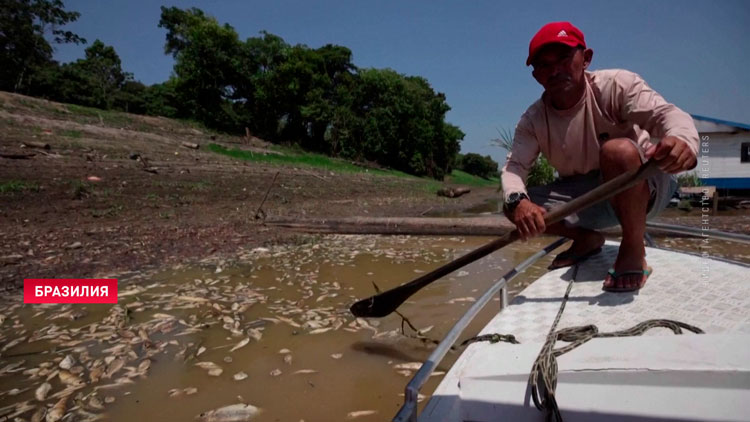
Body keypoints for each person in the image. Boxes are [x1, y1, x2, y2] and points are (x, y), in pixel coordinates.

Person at [501, 22, 698, 292]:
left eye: (564, 58)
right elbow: (515, 168)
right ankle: (586, 238)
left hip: (642, 185)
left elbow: (667, 115)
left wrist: (683, 140)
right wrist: (518, 201)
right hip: (587, 196)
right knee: (514, 205)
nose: (555, 70)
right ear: (536, 76)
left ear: (586, 58)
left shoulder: (616, 86)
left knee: (617, 151)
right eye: (544, 65)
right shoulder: (533, 120)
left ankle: (633, 246)